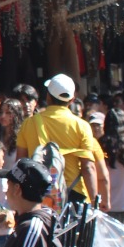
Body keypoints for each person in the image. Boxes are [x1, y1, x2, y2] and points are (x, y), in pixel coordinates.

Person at [16, 74, 108, 208]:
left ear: (47, 97)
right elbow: (88, 167)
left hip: (39, 197)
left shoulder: (29, 124)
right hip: (74, 197)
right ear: (72, 100)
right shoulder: (81, 126)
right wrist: (95, 203)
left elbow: (20, 163)